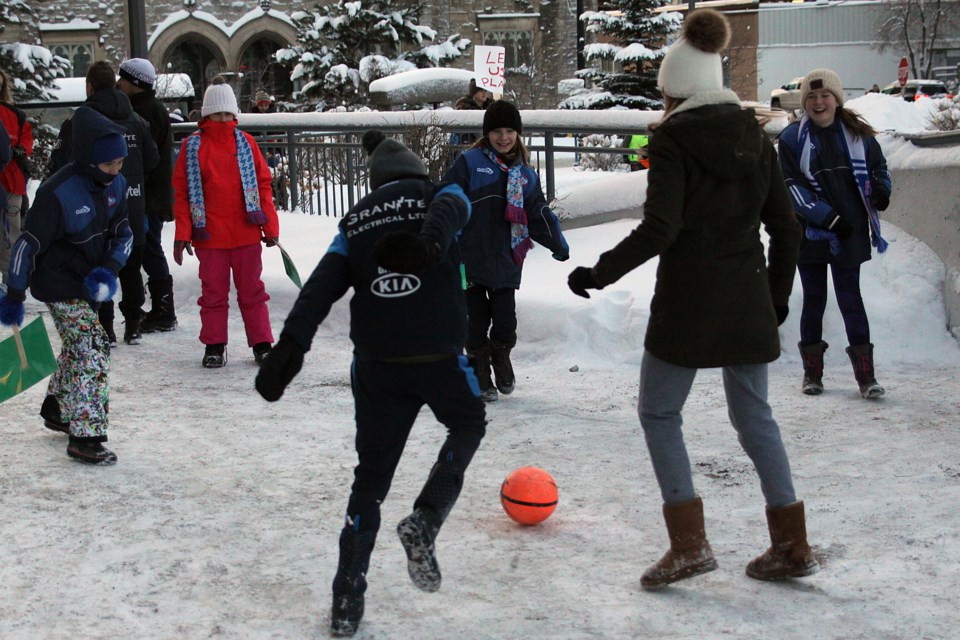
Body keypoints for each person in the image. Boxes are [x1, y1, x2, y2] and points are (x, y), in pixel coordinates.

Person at [566, 9, 818, 588]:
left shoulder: (674, 141)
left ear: (675, 92)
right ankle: (791, 544)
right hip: (748, 295)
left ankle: (690, 546)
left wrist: (597, 274)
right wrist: (775, 299)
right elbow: (787, 227)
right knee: (755, 415)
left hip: (688, 300)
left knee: (659, 412)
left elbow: (661, 228)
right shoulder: (757, 141)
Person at [254, 130, 486, 637]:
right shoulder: (437, 190)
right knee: (468, 423)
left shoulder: (355, 220)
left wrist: (291, 345)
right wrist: (428, 244)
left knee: (371, 480)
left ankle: (346, 596)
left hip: (377, 364)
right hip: (439, 356)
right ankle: (426, 517)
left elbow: (320, 286)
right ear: (415, 172)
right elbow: (452, 209)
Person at [0, 106, 131, 465]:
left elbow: (124, 233)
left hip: (90, 280)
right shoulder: (57, 192)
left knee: (78, 343)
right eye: (109, 165)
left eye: (120, 163)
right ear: (89, 159)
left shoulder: (116, 184)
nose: (116, 172)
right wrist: (14, 292)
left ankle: (57, 405)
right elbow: (27, 244)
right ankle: (85, 436)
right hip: (57, 281)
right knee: (92, 345)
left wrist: (109, 268)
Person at [441, 100, 569, 402]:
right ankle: (480, 371)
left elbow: (538, 213)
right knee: (475, 323)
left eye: (509, 130)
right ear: (487, 133)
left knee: (505, 323)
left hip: (506, 260)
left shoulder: (526, 174)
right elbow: (446, 198)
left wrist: (558, 243)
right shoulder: (470, 163)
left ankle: (500, 356)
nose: (503, 137)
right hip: (468, 260)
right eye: (496, 131)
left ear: (518, 133)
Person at [777, 68, 892, 399]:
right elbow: (790, 187)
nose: (818, 102)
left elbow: (878, 168)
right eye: (811, 97)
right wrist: (826, 219)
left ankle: (866, 378)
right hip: (811, 232)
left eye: (824, 95)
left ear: (837, 99)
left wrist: (881, 191)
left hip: (850, 232)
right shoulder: (791, 140)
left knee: (850, 300)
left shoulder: (859, 136)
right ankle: (812, 374)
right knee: (814, 300)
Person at [51, 60, 160, 347]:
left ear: (89, 87)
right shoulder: (136, 119)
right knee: (130, 264)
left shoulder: (79, 122)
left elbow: (58, 165)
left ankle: (106, 326)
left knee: (98, 263)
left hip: (93, 207)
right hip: (131, 202)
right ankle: (134, 323)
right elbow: (153, 160)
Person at [172, 76, 280, 368]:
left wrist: (270, 226)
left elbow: (263, 185)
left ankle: (262, 344)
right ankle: (214, 345)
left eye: (227, 114)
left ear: (234, 115)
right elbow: (181, 193)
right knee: (213, 294)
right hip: (210, 237)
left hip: (245, 233)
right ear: (206, 115)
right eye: (216, 114)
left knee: (253, 292)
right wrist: (183, 232)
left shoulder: (246, 143)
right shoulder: (192, 148)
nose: (222, 119)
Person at [117, 58, 179, 334]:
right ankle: (162, 309)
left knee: (150, 248)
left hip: (148, 195)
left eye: (123, 79)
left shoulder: (145, 112)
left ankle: (164, 311)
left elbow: (147, 158)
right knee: (149, 248)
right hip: (151, 194)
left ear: (135, 83)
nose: (119, 84)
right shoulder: (148, 109)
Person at [0, 69, 34, 287]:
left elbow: (26, 141)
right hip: (11, 184)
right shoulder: (15, 115)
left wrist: (19, 151)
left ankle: (9, 286)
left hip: (11, 185)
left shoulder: (16, 115)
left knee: (10, 237)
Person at [450, 79, 492, 146]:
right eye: (481, 91)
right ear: (474, 93)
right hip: (468, 144)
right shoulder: (463, 108)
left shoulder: (491, 107)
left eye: (485, 91)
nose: (484, 93)